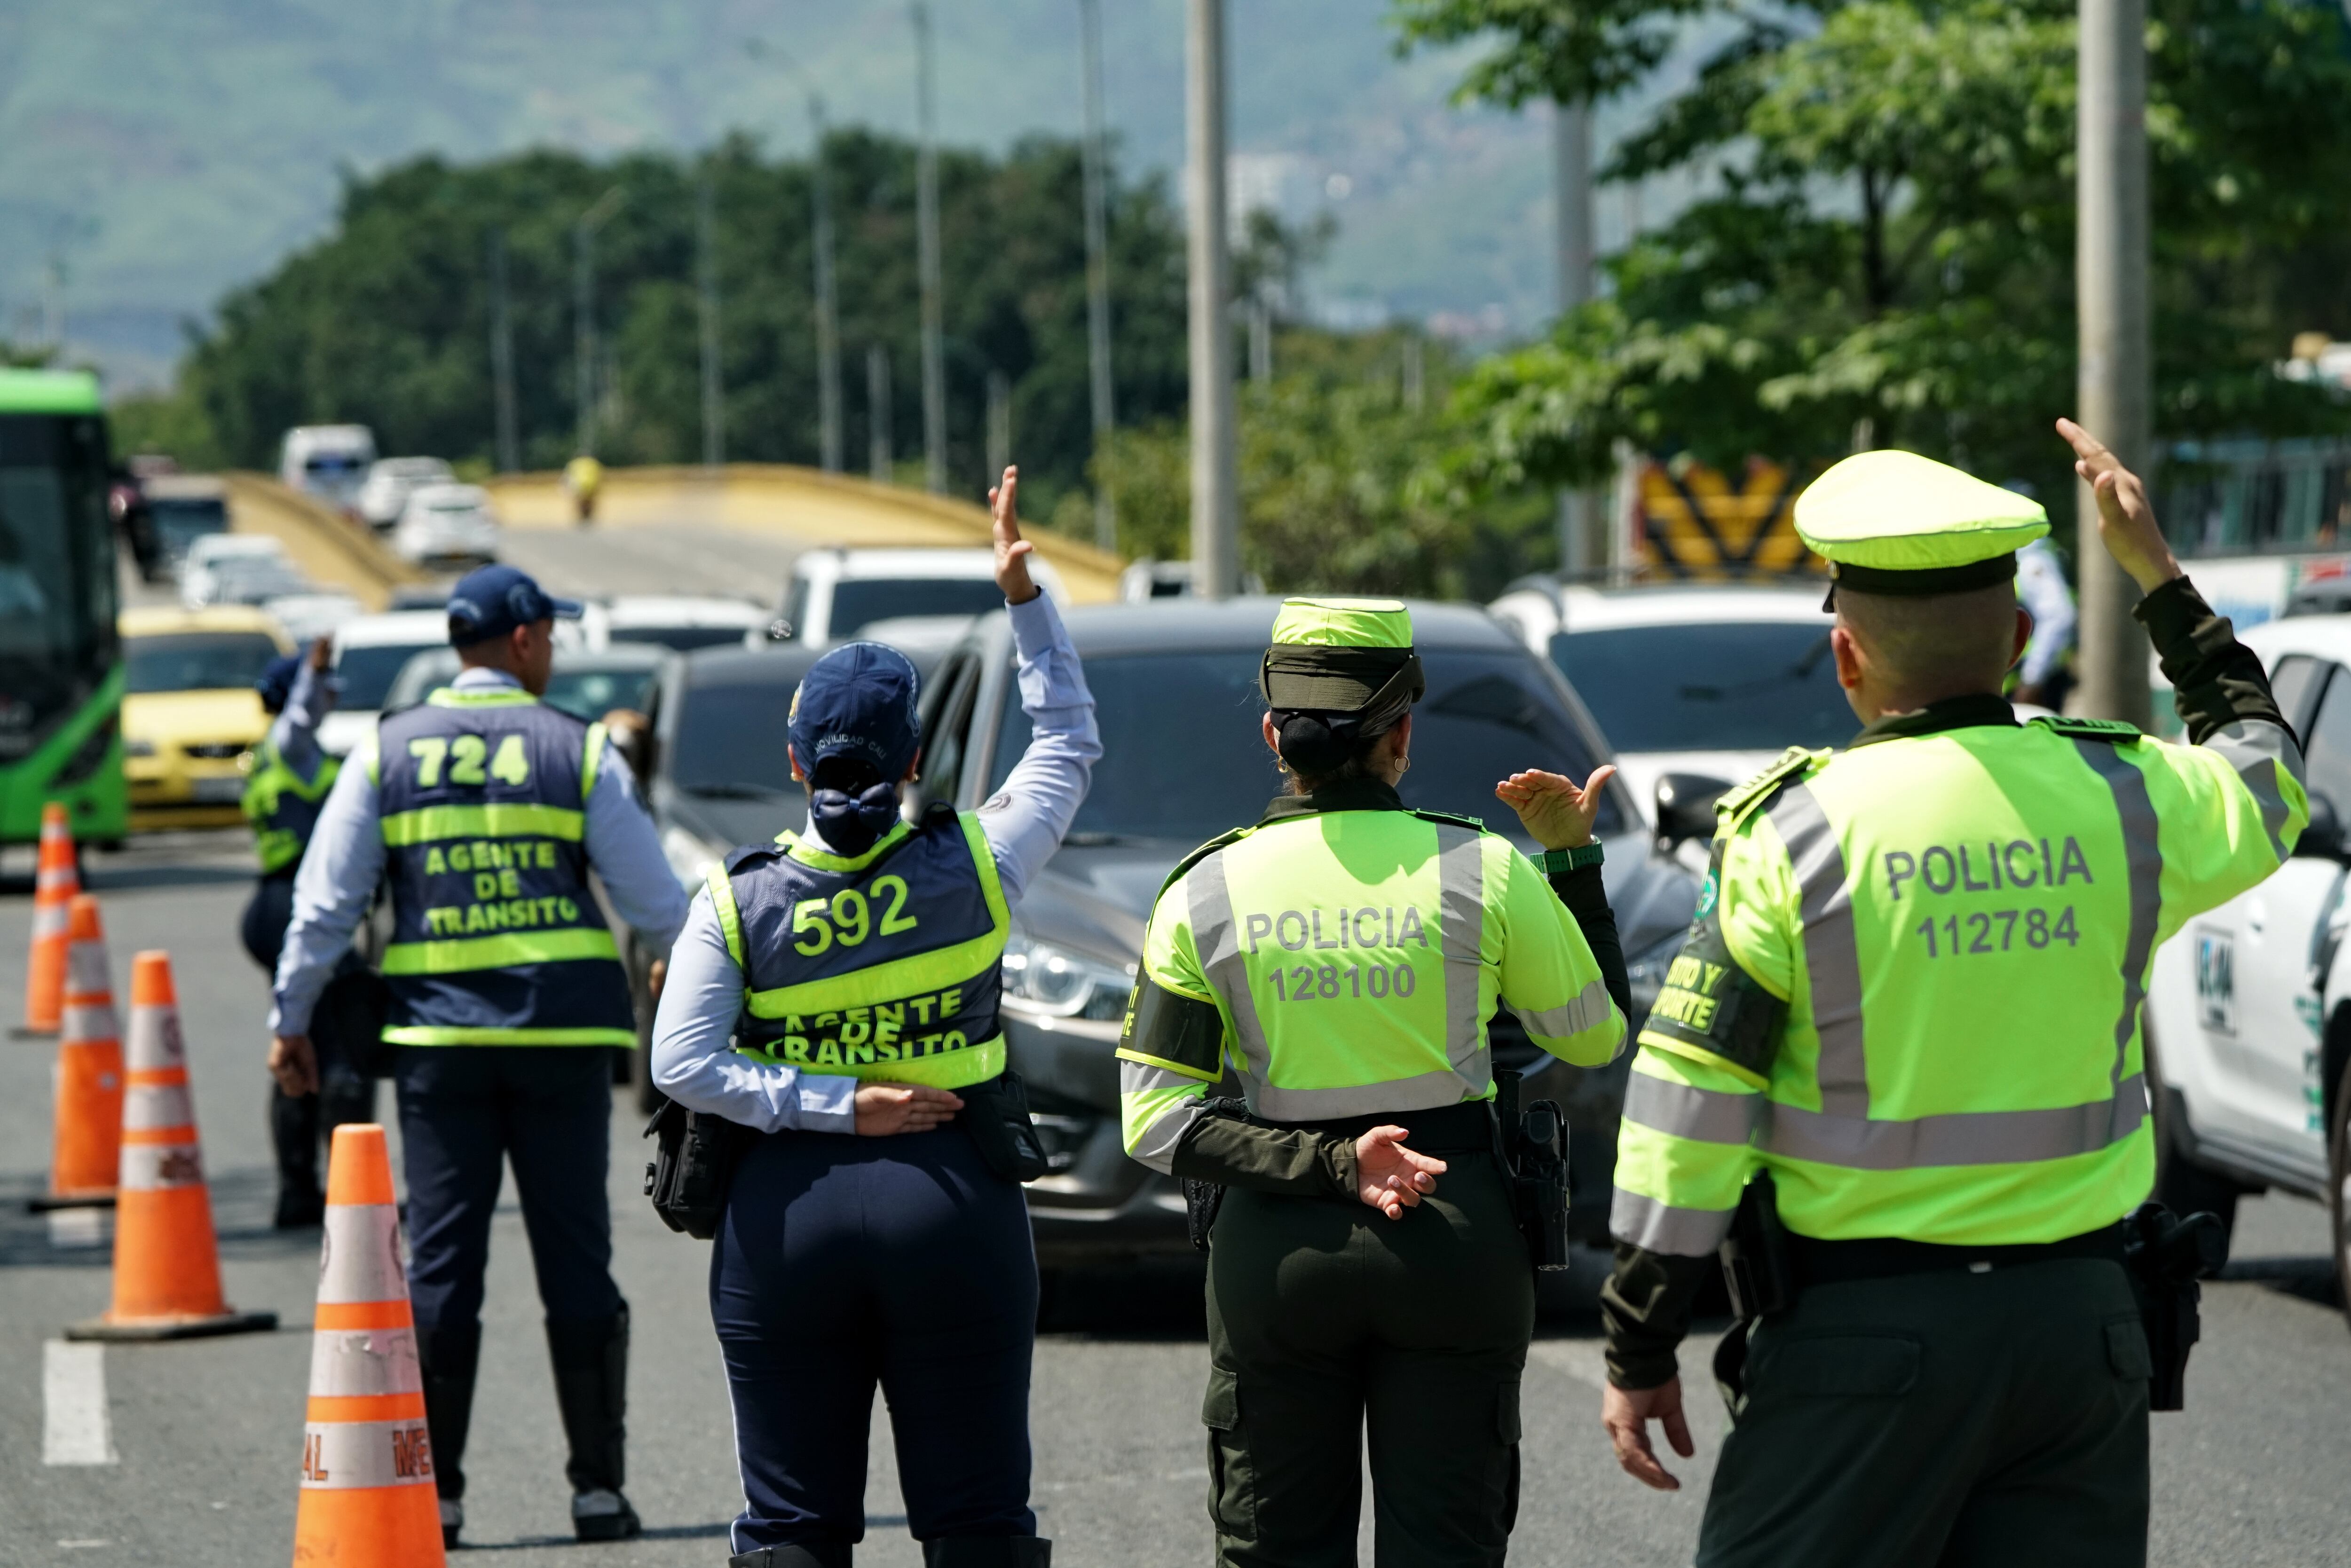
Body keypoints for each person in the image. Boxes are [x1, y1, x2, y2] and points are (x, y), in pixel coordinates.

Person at [1599, 428, 2308, 1566]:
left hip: (1859, 1343)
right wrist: (2157, 579)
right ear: (2021, 641)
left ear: (1846, 656)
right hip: (2081, 1337)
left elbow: (1690, 1108)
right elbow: (2270, 782)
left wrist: (1639, 1337)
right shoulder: (2127, 795)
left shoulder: (1790, 833)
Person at [1117, 598, 1632, 1568]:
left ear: (1273, 734)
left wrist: (1332, 1163)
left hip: (1276, 1242)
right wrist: (1569, 855)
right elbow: (1596, 1033)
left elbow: (1156, 1122)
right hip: (1453, 1233)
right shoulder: (1483, 865)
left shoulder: (1202, 888)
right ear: (1401, 734)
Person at [650, 465, 1097, 1568]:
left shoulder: (733, 899)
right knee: (980, 1519)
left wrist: (834, 1104)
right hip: (956, 1209)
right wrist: (1023, 598)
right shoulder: (982, 864)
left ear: (795, 760)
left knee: (794, 1526)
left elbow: (682, 1061)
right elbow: (1069, 742)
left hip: (783, 1216)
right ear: (915, 764)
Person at [269, 563, 691, 1549]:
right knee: (576, 1257)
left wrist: (289, 1020)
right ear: (528, 638)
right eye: (551, 634)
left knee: (443, 1268)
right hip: (561, 1041)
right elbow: (660, 908)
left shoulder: (387, 751)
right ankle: (597, 1490)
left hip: (437, 1045)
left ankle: (440, 1493)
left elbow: (327, 903)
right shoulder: (578, 751)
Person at [240, 635, 373, 1228]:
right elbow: (297, 715)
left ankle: (301, 1188)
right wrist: (310, 674)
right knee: (340, 1044)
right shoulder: (289, 747)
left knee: (311, 1039)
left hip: (284, 904)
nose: (329, 699)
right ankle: (341, 1187)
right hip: (293, 903)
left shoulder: (298, 752)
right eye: (323, 690)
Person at [2012, 533, 2078, 710]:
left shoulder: (2030, 560)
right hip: (2028, 679)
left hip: (2030, 685)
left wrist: (2032, 679)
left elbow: (2058, 616)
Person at [564, 454, 604, 525]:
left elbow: (568, 477)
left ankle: (581, 516)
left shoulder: (574, 463)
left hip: (579, 485)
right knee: (590, 501)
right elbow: (599, 475)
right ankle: (589, 515)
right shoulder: (593, 463)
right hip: (592, 484)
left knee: (579, 501)